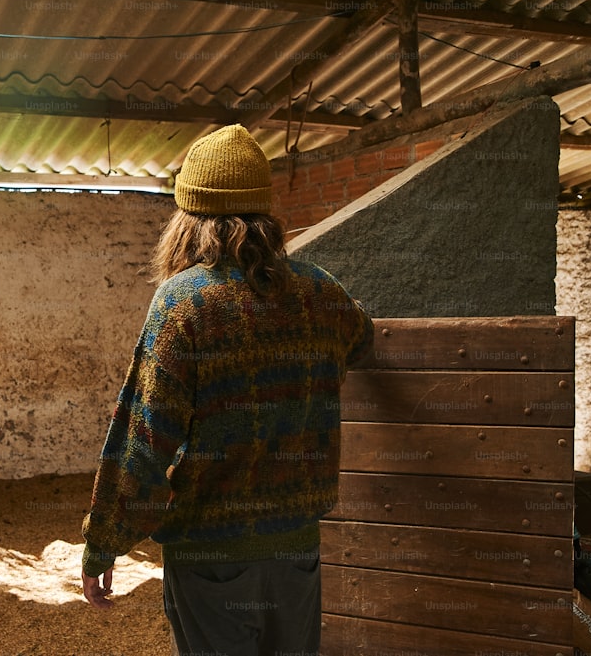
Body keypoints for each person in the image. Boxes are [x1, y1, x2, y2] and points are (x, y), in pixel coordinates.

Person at [80, 124, 374, 655]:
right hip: (296, 551)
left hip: (210, 555)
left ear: (187, 219)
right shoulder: (320, 290)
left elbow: (144, 435)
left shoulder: (184, 302)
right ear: (266, 214)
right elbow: (362, 338)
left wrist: (104, 544)